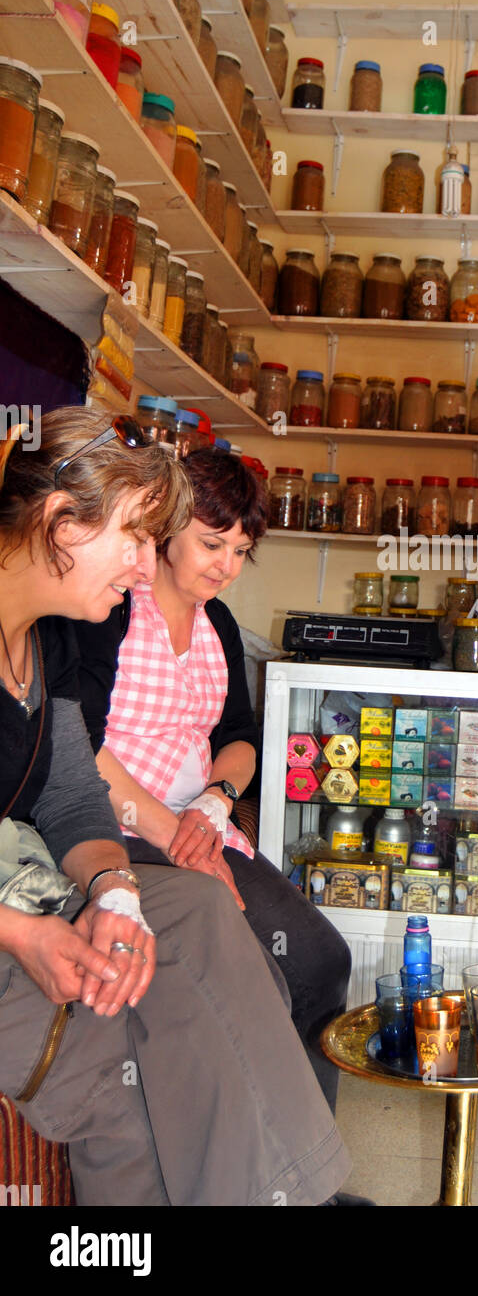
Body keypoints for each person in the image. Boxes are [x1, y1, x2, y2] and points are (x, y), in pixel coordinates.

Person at [0, 407, 351, 1206]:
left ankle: (297, 1192)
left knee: (194, 912)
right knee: (124, 1052)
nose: (140, 563)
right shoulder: (88, 624)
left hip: (41, 878)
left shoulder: (46, 638)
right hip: (17, 908)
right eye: (134, 537)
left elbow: (66, 788)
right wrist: (26, 933)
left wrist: (115, 890)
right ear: (60, 521)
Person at [73, 447, 351, 1112]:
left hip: (199, 824)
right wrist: (174, 833)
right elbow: (78, 747)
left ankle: (304, 1177)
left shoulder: (218, 624)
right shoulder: (109, 609)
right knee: (259, 983)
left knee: (319, 960)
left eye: (240, 550)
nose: (225, 566)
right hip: (114, 829)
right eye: (211, 543)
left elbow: (237, 740)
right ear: (165, 529)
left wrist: (213, 802)